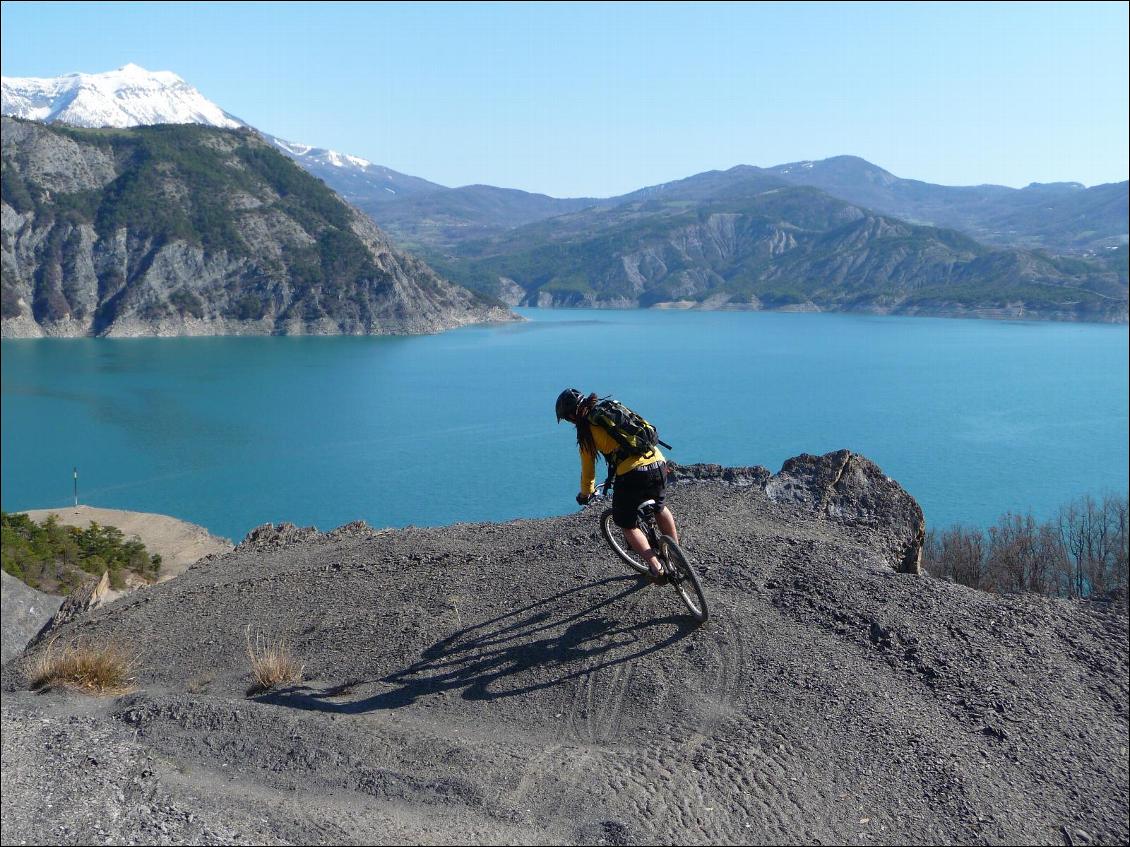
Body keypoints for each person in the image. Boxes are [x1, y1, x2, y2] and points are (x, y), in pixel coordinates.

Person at [555, 388, 678, 583]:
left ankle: (657, 568)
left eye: (568, 419)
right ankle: (676, 555)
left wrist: (585, 494)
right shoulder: (611, 409)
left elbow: (588, 471)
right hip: (658, 462)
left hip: (633, 473)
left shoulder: (586, 430)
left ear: (572, 415)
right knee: (659, 507)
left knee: (626, 523)